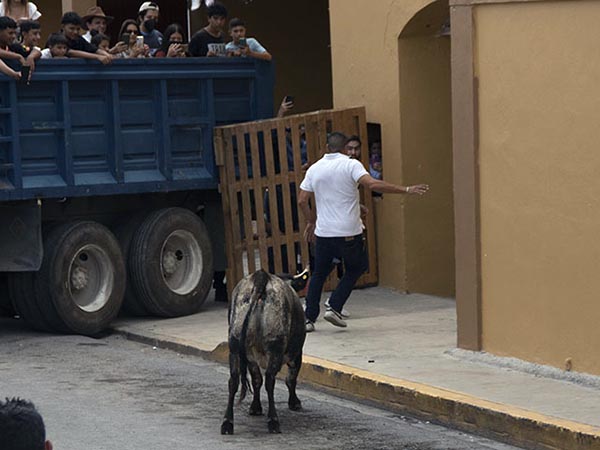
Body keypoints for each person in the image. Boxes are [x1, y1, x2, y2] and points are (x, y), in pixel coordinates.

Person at [299, 132, 429, 332]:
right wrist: (406, 189)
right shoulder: (351, 165)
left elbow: (302, 200)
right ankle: (334, 306)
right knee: (357, 267)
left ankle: (308, 319)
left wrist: (311, 221)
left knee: (319, 273)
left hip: (324, 233)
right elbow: (372, 184)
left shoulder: (315, 169)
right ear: (344, 149)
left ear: (326, 147)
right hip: (349, 232)